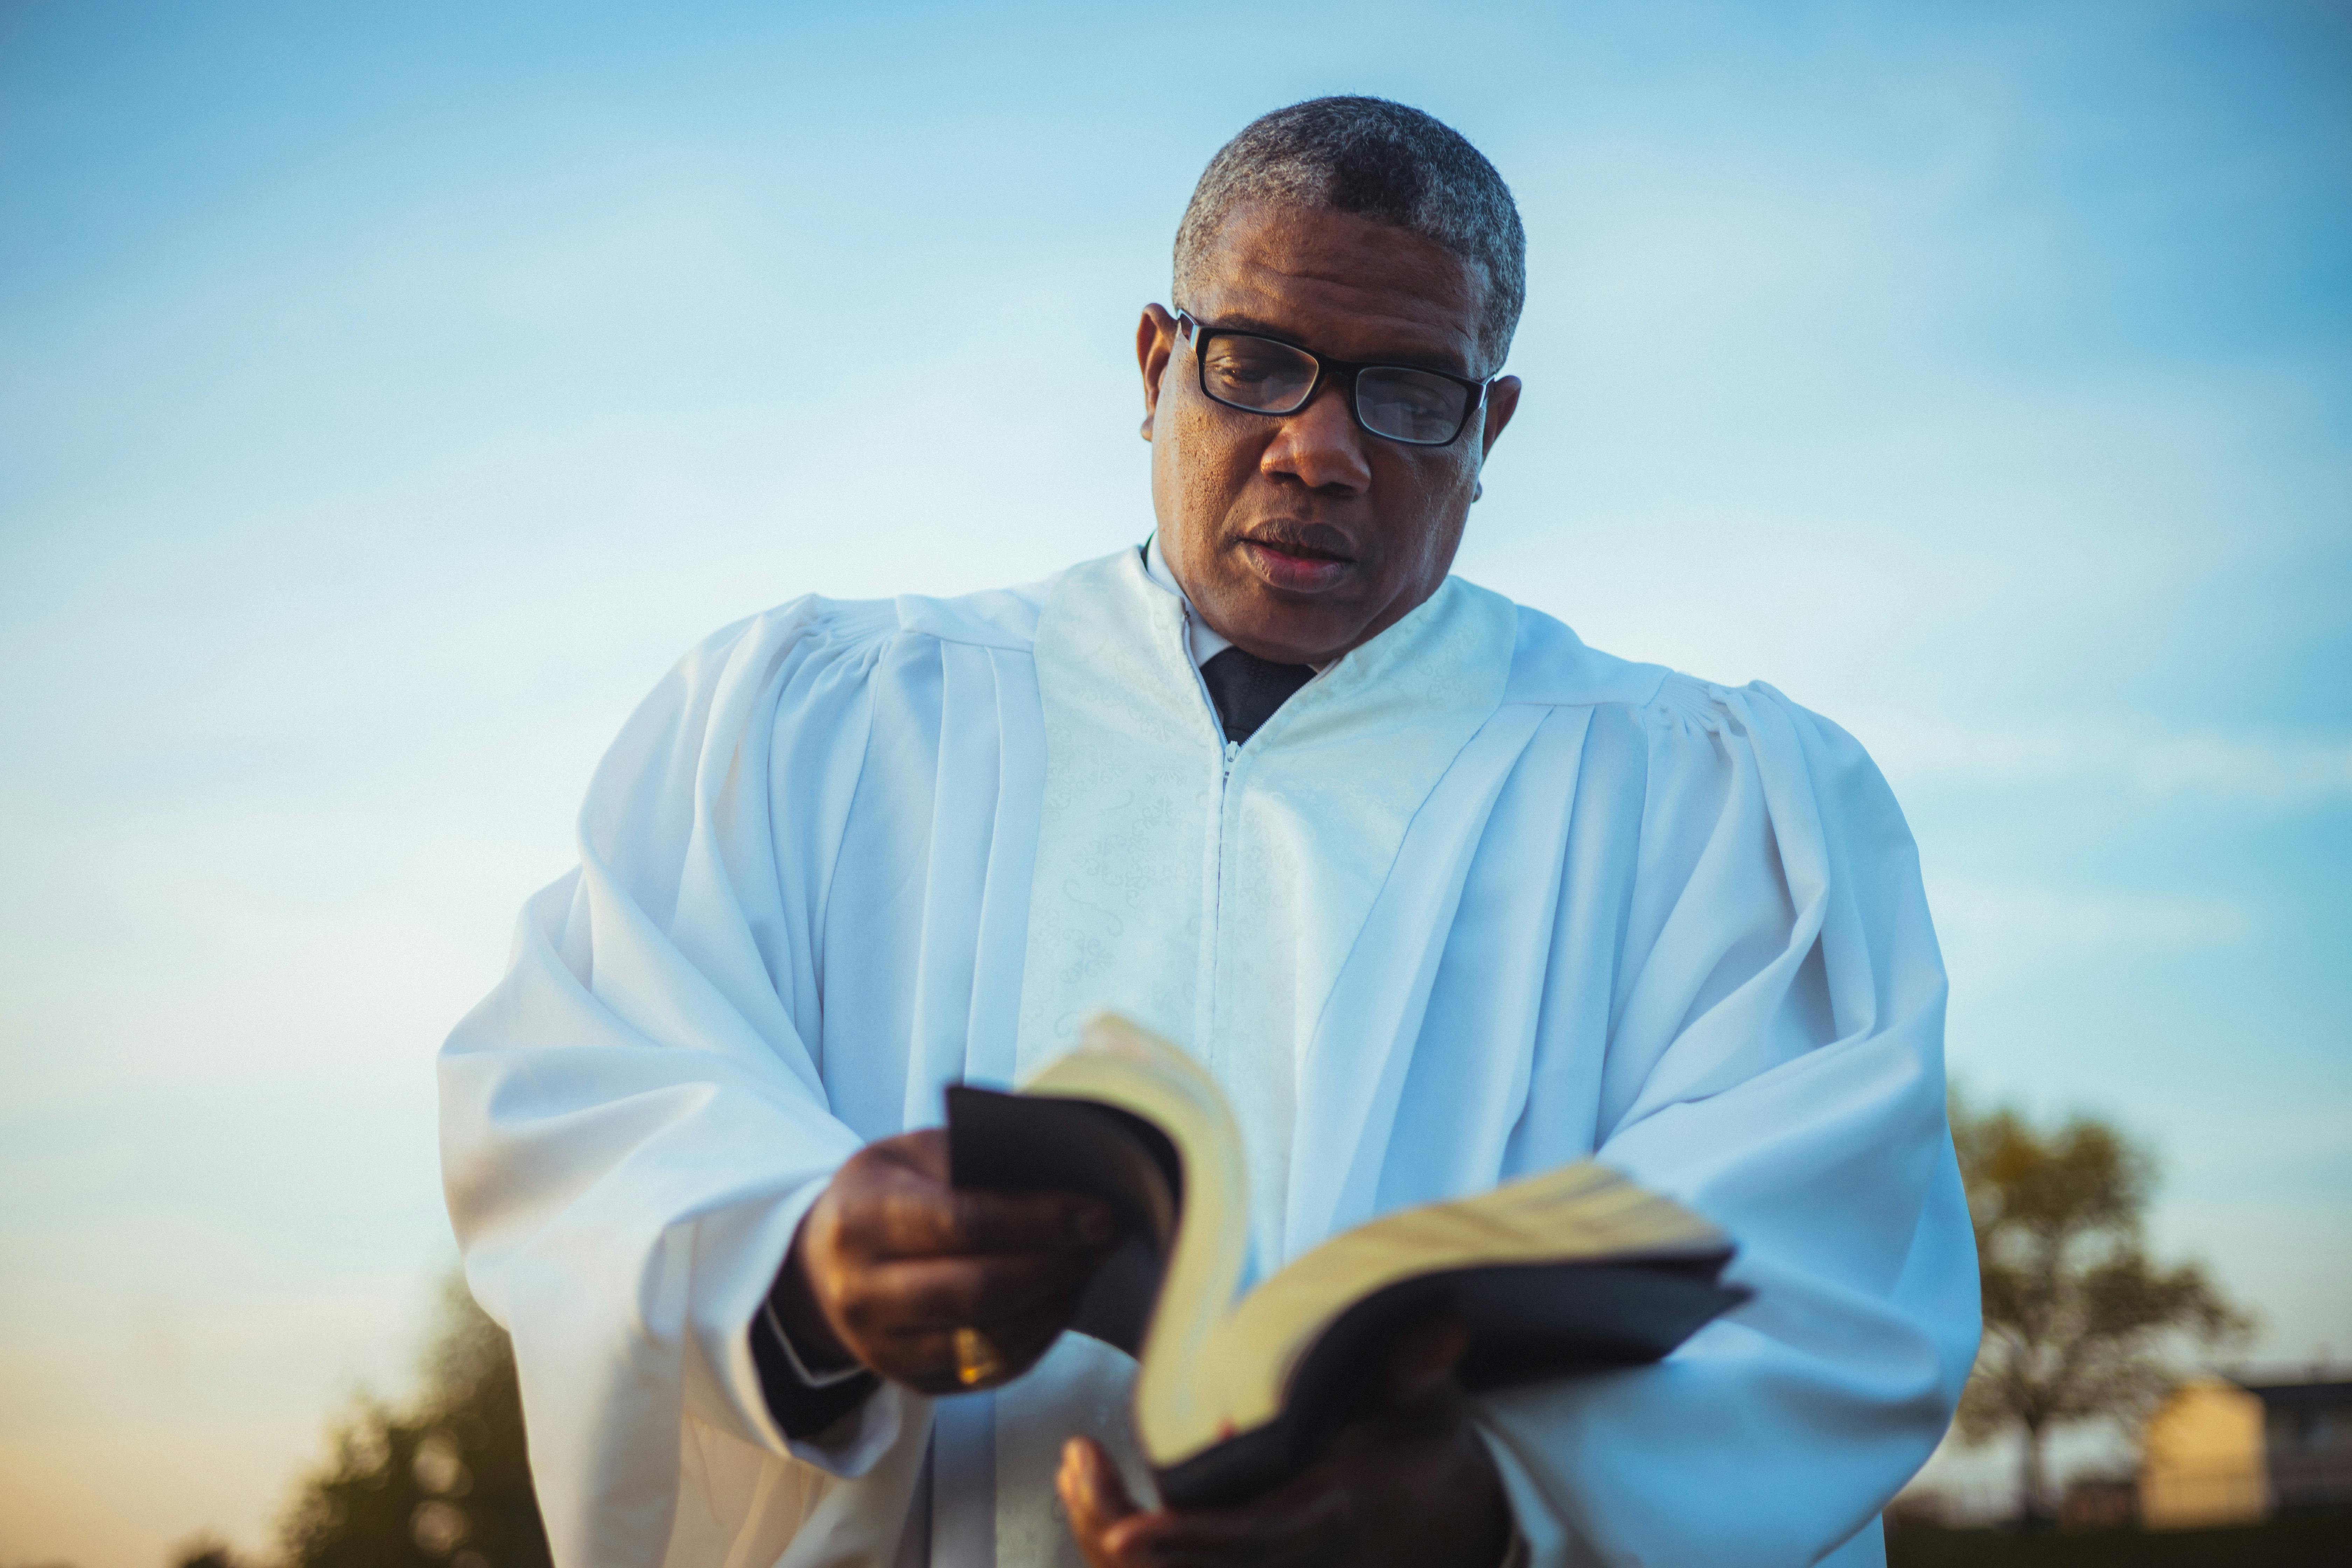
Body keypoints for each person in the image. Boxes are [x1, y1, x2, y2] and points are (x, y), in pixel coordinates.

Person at [439, 97, 1980, 1568]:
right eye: (1257, 364)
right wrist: (802, 1265)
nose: (1323, 449)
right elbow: (591, 1086)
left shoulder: (1701, 805)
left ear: (1491, 423)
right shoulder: (817, 728)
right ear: (1155, 361)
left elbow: (1816, 1270)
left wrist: (1487, 1497)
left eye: (1410, 394)